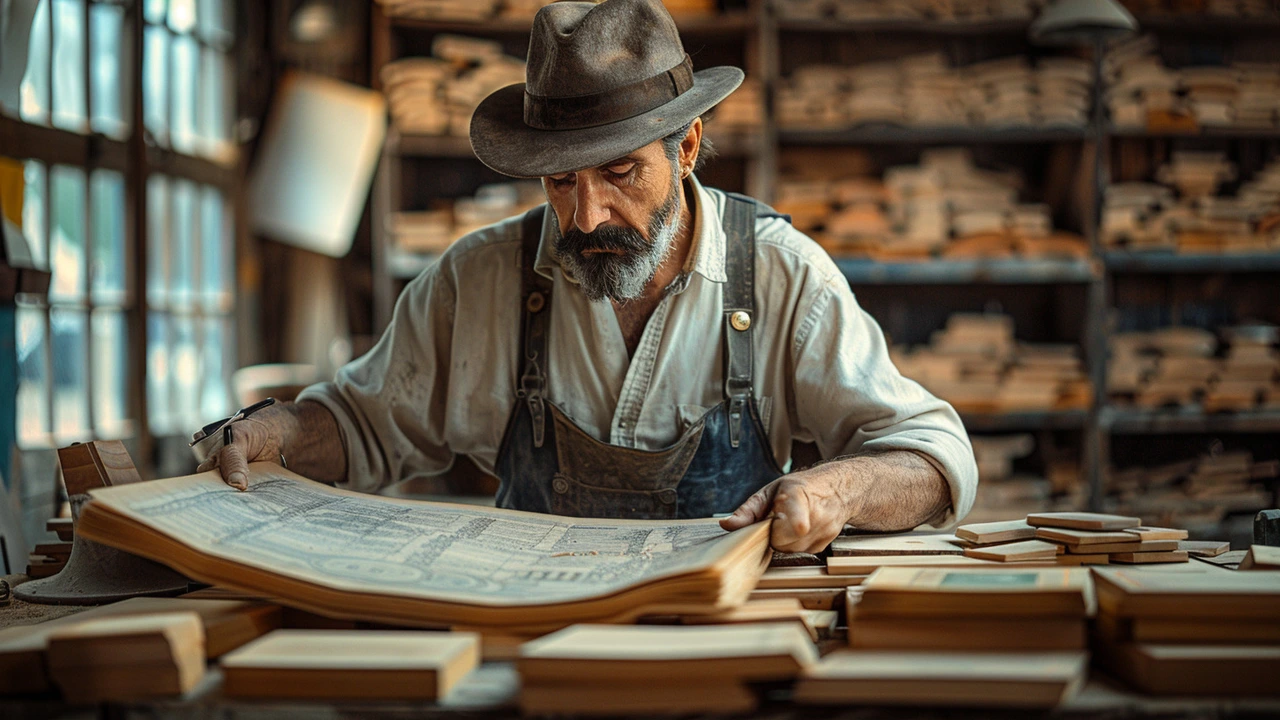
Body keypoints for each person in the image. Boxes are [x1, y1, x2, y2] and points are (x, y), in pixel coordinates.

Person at [197, 0, 977, 553]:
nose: (588, 213)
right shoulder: (479, 279)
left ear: (688, 146)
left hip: (722, 640)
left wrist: (836, 491)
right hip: (531, 648)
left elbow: (934, 456)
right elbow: (362, 426)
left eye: (619, 172)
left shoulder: (778, 275)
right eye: (560, 181)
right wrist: (280, 431)